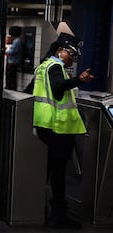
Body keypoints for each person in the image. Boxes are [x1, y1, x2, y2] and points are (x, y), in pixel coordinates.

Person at [32, 32, 93, 229]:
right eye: (71, 54)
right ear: (60, 51)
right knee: (58, 175)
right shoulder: (56, 67)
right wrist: (79, 81)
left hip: (45, 125)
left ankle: (37, 210)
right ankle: (58, 216)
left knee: (46, 173)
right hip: (58, 127)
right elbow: (58, 89)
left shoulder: (42, 66)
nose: (72, 59)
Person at [5, 26, 23, 90]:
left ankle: (9, 89)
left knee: (10, 78)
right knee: (12, 78)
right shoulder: (18, 40)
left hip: (12, 63)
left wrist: (5, 50)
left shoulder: (16, 41)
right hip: (15, 62)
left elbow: (12, 51)